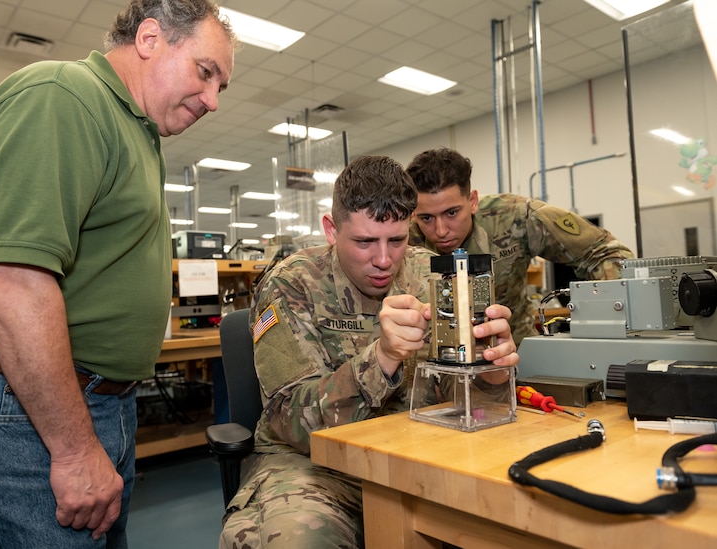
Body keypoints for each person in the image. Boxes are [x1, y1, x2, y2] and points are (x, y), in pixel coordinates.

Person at [0, 1, 235, 547]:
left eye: (220, 88)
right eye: (205, 73)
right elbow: (11, 281)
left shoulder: (135, 131)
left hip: (86, 405)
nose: (211, 100)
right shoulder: (64, 97)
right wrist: (74, 448)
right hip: (22, 411)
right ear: (150, 38)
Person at [219, 155, 518, 548]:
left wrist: (492, 373)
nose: (383, 260)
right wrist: (383, 359)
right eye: (364, 241)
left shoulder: (434, 275)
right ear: (331, 229)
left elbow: (467, 405)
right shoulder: (293, 284)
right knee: (295, 539)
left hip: (422, 454)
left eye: (397, 240)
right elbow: (288, 418)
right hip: (318, 468)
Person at [407, 147, 635, 345]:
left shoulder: (514, 216)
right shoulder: (400, 236)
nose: (441, 230)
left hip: (516, 351)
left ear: (473, 201)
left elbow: (605, 251)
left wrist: (601, 321)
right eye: (426, 218)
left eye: (452, 213)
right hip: (438, 362)